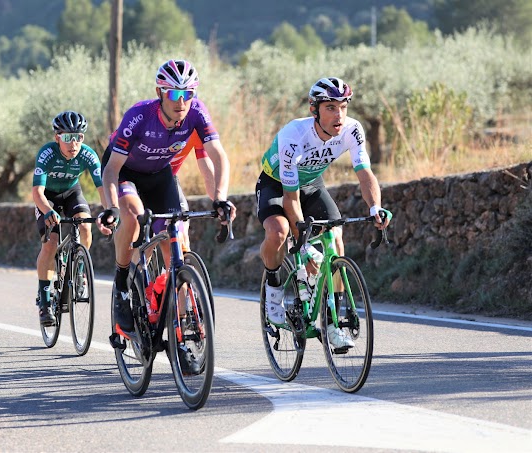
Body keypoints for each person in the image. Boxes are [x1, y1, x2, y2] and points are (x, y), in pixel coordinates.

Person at [97, 59, 236, 370]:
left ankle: (182, 333)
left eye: (188, 94)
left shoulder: (197, 111)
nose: (181, 102)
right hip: (126, 174)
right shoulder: (139, 115)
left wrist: (221, 199)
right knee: (132, 215)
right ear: (160, 93)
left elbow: (218, 158)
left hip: (160, 176)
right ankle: (121, 284)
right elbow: (110, 170)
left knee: (176, 246)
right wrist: (109, 207)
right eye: (174, 95)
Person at [255, 77, 391, 348]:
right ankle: (273, 290)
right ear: (313, 110)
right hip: (276, 185)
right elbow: (291, 200)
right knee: (280, 231)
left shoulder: (353, 130)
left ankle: (331, 323)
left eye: (343, 106)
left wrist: (375, 208)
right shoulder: (294, 136)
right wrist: (302, 243)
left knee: (335, 239)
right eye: (330, 107)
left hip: (312, 184)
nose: (338, 114)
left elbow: (365, 175)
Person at [32, 110, 109, 326]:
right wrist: (47, 210)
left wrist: (109, 211)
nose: (73, 143)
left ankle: (80, 272)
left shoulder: (88, 154)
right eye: (67, 137)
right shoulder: (47, 153)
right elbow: (37, 192)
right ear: (57, 138)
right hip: (47, 197)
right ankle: (45, 301)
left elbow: (102, 187)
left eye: (78, 137)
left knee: (85, 226)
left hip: (71, 193)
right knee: (50, 244)